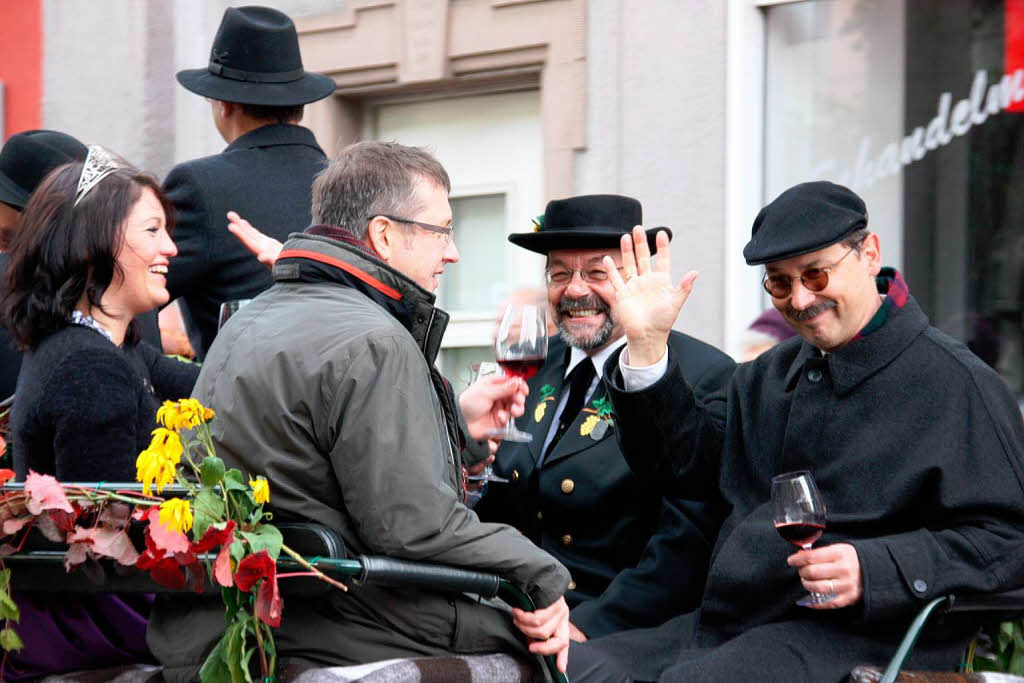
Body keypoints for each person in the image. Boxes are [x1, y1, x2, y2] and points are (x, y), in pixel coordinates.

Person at [147, 141, 572, 682]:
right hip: (331, 613)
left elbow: (310, 460)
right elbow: (414, 528)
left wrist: (457, 429)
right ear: (384, 235)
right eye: (442, 230)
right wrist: (542, 573)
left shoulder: (249, 321)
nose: (453, 252)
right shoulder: (373, 339)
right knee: (560, 646)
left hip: (229, 616)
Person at [568, 181, 1024, 682]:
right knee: (570, 669)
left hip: (869, 640)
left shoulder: (957, 382)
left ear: (869, 254)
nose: (801, 299)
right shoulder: (767, 374)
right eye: (780, 283)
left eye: (816, 274)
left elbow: (1009, 542)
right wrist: (649, 347)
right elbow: (682, 467)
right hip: (730, 628)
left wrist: (876, 568)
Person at [474, 194, 734, 640]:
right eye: (559, 274)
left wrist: (586, 626)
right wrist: (473, 463)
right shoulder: (534, 361)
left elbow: (685, 545)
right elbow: (500, 503)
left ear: (637, 278)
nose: (576, 290)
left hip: (613, 631)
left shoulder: (704, 375)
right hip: (507, 612)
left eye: (598, 273)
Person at [0, 146, 199, 678]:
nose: (172, 248)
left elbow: (218, 387)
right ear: (96, 246)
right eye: (153, 231)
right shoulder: (88, 366)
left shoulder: (113, 348)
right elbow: (111, 541)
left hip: (105, 608)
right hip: (100, 624)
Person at [164, 5, 335, 358]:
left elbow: (128, 294)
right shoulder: (348, 187)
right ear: (298, 105)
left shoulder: (200, 186)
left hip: (239, 404)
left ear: (224, 104)